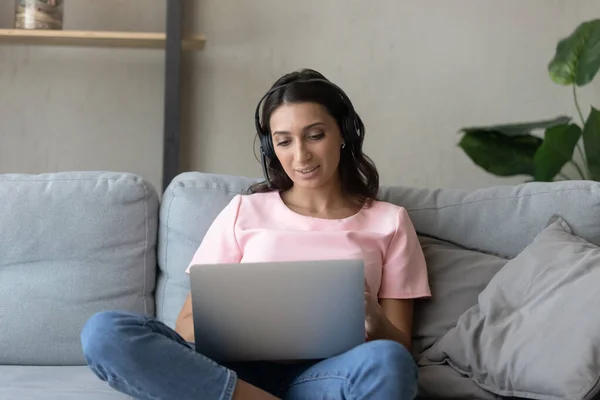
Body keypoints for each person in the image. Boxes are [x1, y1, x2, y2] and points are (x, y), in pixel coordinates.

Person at [80, 68, 431, 400]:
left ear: (344, 134)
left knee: (388, 362)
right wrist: (240, 324)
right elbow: (186, 327)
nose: (301, 155)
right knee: (105, 332)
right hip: (229, 376)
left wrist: (374, 317)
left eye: (315, 135)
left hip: (327, 377)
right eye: (284, 142)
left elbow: (399, 349)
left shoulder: (391, 222)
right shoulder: (243, 211)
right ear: (271, 149)